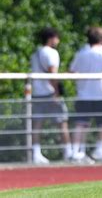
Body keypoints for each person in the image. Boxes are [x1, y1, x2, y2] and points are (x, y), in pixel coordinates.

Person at [69, 26, 102, 163]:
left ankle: (76, 151)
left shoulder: (81, 53)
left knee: (81, 124)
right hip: (101, 94)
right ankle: (99, 149)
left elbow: (72, 72)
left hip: (84, 94)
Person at [30, 27, 72, 164]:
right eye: (57, 38)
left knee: (37, 124)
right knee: (62, 122)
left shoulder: (35, 53)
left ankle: (36, 153)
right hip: (49, 93)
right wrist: (57, 93)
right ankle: (68, 152)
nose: (58, 41)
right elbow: (52, 75)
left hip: (37, 92)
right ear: (51, 38)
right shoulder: (51, 53)